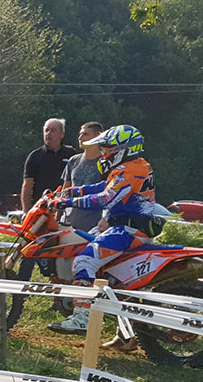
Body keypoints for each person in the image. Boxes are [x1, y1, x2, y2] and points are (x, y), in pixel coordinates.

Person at [47, 125, 157, 334]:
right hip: (126, 227)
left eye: (107, 148)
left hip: (128, 230)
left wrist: (68, 202)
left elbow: (105, 198)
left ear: (123, 149)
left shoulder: (132, 170)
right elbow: (105, 186)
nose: (103, 152)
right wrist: (74, 190)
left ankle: (82, 317)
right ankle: (124, 332)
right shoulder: (133, 166)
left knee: (83, 260)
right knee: (84, 246)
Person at [21, 118, 78, 209]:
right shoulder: (35, 156)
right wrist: (26, 210)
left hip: (65, 206)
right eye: (46, 130)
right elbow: (27, 185)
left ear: (62, 134)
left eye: (53, 130)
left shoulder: (71, 154)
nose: (48, 133)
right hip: (41, 208)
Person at [61, 122, 106, 230]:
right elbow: (65, 190)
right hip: (67, 223)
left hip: (93, 226)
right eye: (80, 134)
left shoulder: (106, 163)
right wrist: (58, 216)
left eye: (85, 134)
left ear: (98, 136)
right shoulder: (73, 160)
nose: (80, 138)